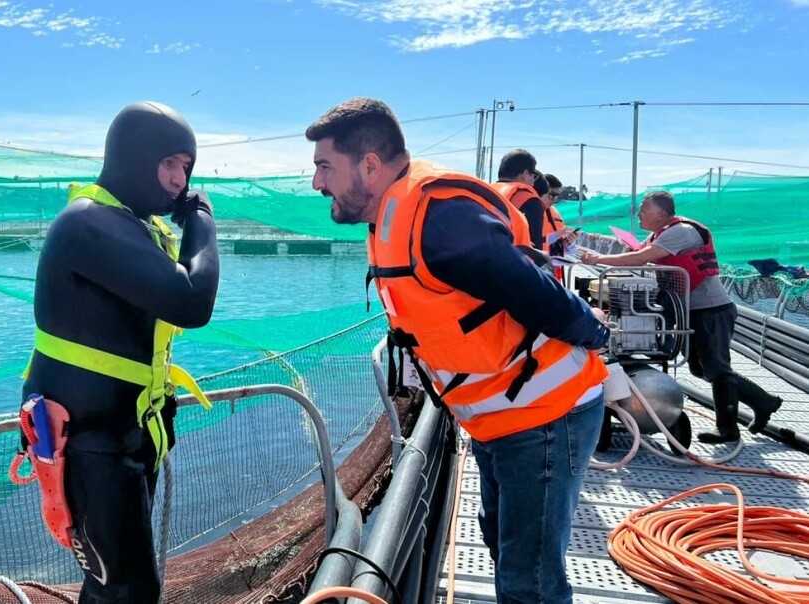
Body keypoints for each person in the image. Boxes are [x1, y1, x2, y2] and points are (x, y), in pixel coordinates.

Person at [305, 98, 610, 604]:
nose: (318, 183)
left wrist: (595, 331)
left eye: (324, 167)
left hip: (546, 417)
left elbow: (531, 289)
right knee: (505, 547)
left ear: (370, 165)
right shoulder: (393, 218)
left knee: (529, 582)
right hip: (500, 419)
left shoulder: (437, 217)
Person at [22, 101, 219, 603]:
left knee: (122, 588)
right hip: (89, 447)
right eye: (169, 163)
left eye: (186, 168)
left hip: (128, 438)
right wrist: (200, 221)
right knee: (123, 592)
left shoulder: (134, 226)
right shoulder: (88, 223)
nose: (179, 180)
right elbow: (191, 299)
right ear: (133, 157)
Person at [581, 191, 782, 443]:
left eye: (644, 208)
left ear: (662, 213)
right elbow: (638, 255)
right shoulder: (660, 234)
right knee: (700, 368)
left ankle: (728, 429)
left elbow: (643, 257)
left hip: (711, 309)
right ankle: (764, 402)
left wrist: (599, 259)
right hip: (692, 310)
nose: (639, 213)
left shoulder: (682, 231)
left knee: (717, 368)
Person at [493, 149, 545, 249]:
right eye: (534, 175)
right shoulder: (530, 201)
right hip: (510, 261)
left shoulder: (483, 192)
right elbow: (535, 251)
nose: (533, 181)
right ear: (525, 174)